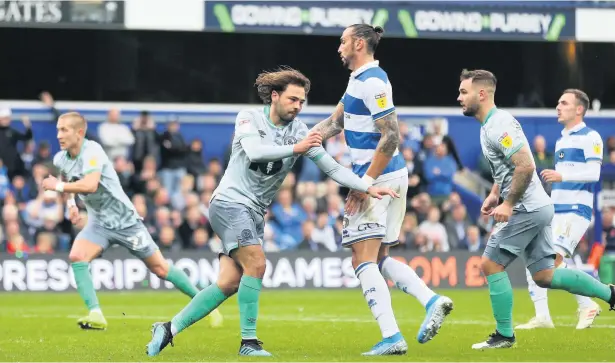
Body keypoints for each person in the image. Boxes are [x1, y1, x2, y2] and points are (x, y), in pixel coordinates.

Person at [145, 67, 399, 357]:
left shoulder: (301, 131)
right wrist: (296, 148)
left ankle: (168, 329)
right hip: (230, 202)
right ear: (274, 96)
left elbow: (331, 167)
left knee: (228, 283)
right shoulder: (249, 118)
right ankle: (248, 343)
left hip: (255, 212)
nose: (297, 106)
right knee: (257, 263)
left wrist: (367, 186)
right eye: (292, 99)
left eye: (302, 101)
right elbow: (255, 152)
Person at [310, 24, 453, 356]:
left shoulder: (373, 81)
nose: (339, 47)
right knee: (380, 255)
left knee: (362, 259)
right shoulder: (359, 79)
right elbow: (335, 123)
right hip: (388, 176)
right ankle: (431, 299)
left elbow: (391, 137)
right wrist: (298, 140)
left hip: (379, 178)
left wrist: (365, 184)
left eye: (343, 41)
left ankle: (392, 336)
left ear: (359, 44)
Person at [456, 69, 615, 349]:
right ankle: (609, 294)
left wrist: (508, 202)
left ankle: (504, 335)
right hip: (540, 206)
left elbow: (526, 165)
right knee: (545, 275)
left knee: (490, 263)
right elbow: (508, 166)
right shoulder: (489, 125)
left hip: (528, 208)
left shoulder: (498, 124)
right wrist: (496, 194)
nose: (459, 97)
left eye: (463, 92)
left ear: (481, 94)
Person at [41, 112, 223, 330]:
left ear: (79, 133)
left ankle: (205, 302)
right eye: (58, 129)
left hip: (125, 222)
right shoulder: (60, 158)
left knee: (161, 269)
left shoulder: (93, 151)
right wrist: (71, 205)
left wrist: (58, 187)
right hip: (99, 223)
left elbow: (89, 185)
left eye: (65, 130)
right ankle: (96, 314)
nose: (59, 135)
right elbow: (66, 179)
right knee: (77, 256)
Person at [516, 89, 604, 330]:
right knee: (535, 258)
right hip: (556, 210)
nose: (558, 106)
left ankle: (588, 304)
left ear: (579, 109)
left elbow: (594, 174)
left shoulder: (591, 137)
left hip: (576, 210)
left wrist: (562, 175)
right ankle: (543, 317)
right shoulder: (562, 139)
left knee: (551, 262)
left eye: (564, 103)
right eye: (558, 102)